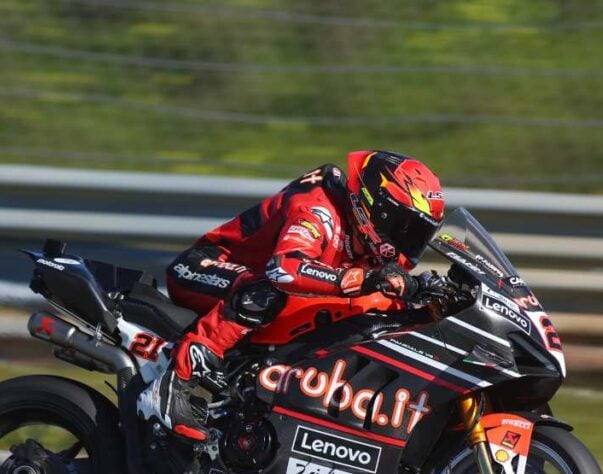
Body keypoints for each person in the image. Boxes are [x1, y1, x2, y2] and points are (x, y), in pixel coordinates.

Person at [139, 150, 446, 442]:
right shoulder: (318, 208)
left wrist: (424, 292)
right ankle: (173, 384)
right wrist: (364, 279)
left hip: (254, 283)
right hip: (203, 267)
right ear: (376, 209)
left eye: (419, 234)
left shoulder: (364, 239)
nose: (409, 242)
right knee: (268, 290)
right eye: (405, 228)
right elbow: (285, 268)